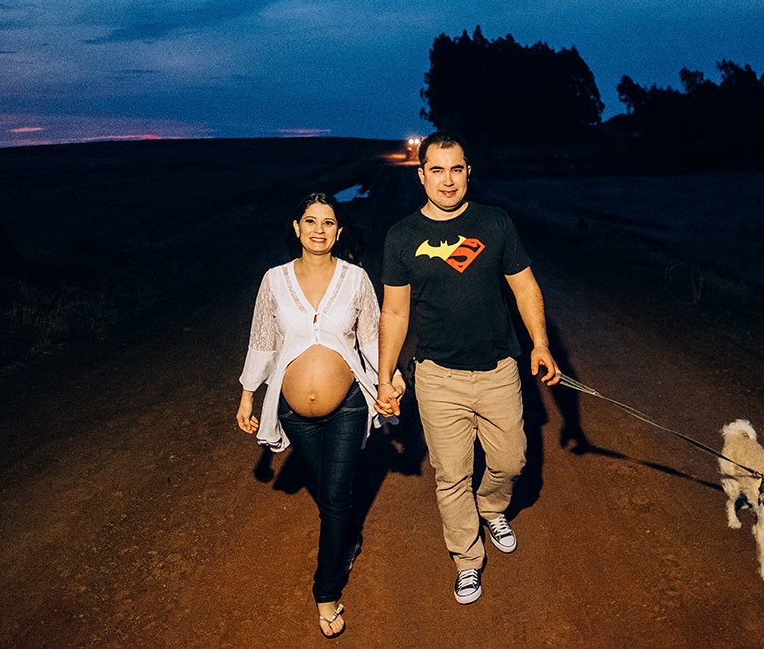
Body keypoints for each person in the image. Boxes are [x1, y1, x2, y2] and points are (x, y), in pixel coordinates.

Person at [375, 131, 559, 605]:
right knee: (451, 474)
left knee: (511, 461)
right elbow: (394, 313)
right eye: (437, 170)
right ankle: (466, 560)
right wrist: (384, 377)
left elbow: (525, 288)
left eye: (456, 169)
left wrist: (540, 344)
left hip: (499, 370)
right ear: (421, 176)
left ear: (468, 173)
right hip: (437, 377)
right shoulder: (402, 237)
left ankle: (491, 507)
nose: (448, 180)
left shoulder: (495, 223)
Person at [236, 192, 404, 638]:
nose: (319, 230)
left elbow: (371, 337)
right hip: (293, 414)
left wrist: (391, 379)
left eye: (328, 223)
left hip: (348, 404)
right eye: (310, 221)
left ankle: (325, 592)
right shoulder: (274, 280)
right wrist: (248, 396)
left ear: (339, 231)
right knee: (332, 496)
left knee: (333, 498)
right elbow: (262, 340)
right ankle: (348, 536)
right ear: (297, 228)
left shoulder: (355, 278)